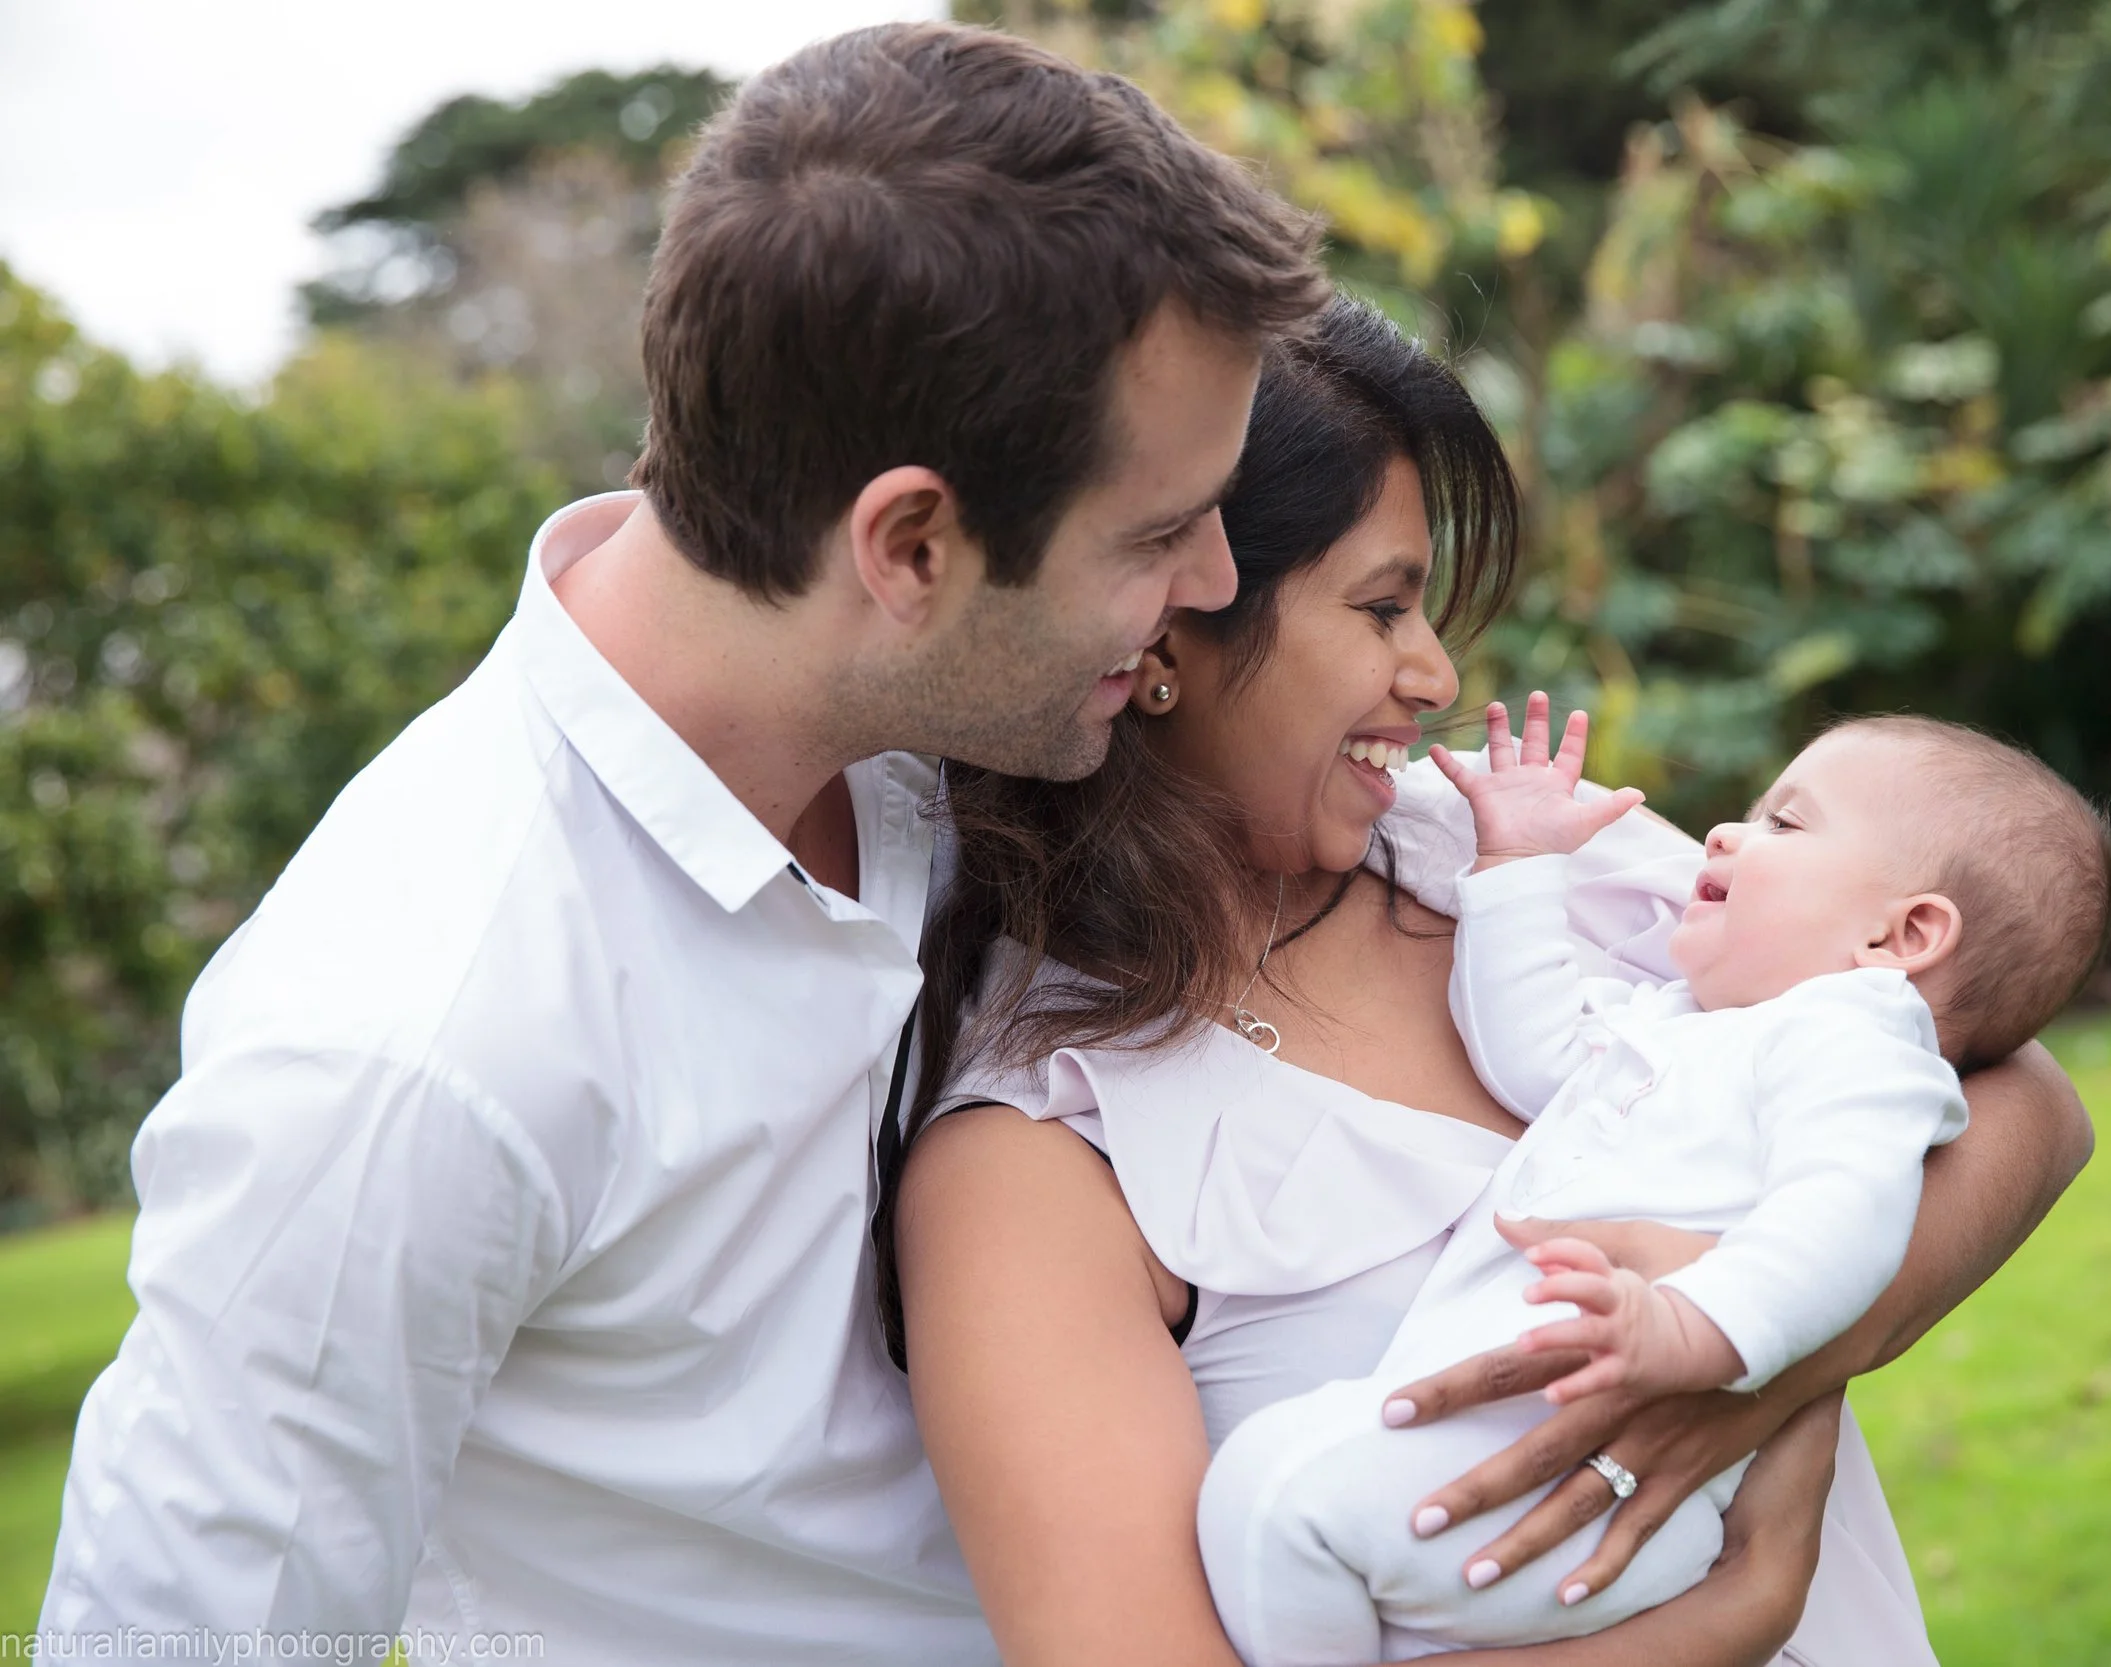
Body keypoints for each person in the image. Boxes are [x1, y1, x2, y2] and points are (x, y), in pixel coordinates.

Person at [40, 23, 1329, 1664]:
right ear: (912, 545)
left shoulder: (957, 743)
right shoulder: (417, 1051)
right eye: (1157, 532)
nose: (1216, 584)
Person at [894, 296, 2098, 1667]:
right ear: (1161, 628)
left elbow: (2021, 1086)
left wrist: (1757, 1338)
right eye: (1383, 605)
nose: (1437, 671)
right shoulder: (1039, 1154)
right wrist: (1734, 1612)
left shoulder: (1513, 855)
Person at [1196, 706, 2111, 1664]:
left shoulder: (1856, 1038)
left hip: (1603, 1475)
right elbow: (1531, 1052)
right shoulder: (1685, 1023)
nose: (1724, 831)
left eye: (1786, 825)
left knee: (1274, 1503)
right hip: (1521, 1455)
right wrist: (1516, 865)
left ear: (1904, 934)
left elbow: (1845, 1214)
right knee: (1283, 1504)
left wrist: (1693, 1327)